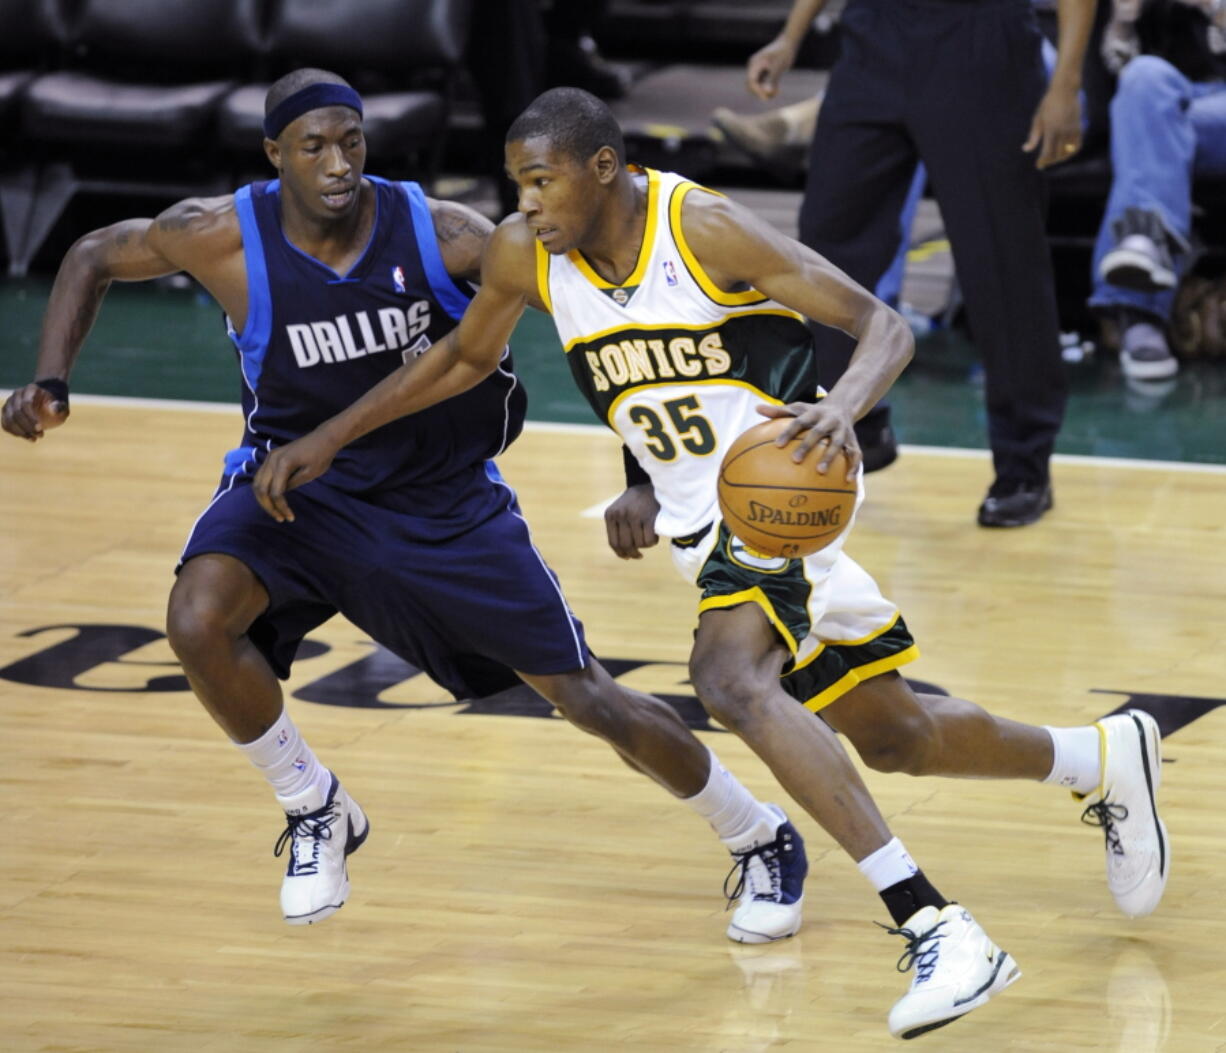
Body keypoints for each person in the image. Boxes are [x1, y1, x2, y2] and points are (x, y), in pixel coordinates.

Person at [249, 87, 1170, 1040]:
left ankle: (939, 924)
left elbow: (882, 326)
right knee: (897, 736)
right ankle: (1102, 757)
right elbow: (459, 362)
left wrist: (842, 407)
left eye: (540, 181)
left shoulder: (706, 229)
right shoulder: (531, 254)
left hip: (785, 492)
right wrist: (331, 437)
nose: (522, 204)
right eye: (516, 183)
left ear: (603, 169)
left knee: (726, 676)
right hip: (705, 522)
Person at [0, 69, 823, 945]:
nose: (337, 162)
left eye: (351, 141)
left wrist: (641, 472)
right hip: (295, 491)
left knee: (587, 698)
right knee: (198, 617)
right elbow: (92, 252)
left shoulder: (445, 233)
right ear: (273, 155)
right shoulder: (216, 236)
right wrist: (51, 381)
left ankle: (757, 832)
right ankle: (314, 805)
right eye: (312, 146)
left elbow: (612, 325)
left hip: (440, 503)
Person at [740, 0, 1095, 528]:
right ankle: (859, 420)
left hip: (982, 41)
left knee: (1001, 261)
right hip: (873, 35)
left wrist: (1065, 82)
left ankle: (1025, 463)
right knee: (830, 239)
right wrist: (790, 35)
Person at [1091, 0, 1226, 383]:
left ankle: (1137, 317)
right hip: (1168, 108)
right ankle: (1142, 245)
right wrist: (1123, 24)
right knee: (1143, 76)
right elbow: (1114, 74)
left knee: (1151, 135)